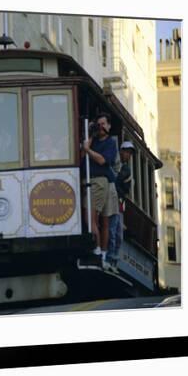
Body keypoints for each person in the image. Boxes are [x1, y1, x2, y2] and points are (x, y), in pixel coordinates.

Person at [81, 113, 118, 266]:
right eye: (98, 124)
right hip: (92, 181)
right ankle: (98, 251)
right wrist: (90, 134)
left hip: (104, 183)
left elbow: (102, 160)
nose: (101, 127)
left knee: (101, 220)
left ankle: (100, 252)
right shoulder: (93, 139)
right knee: (93, 218)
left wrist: (88, 150)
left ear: (109, 125)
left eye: (104, 124)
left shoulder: (111, 142)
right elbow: (82, 153)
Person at [106, 141, 135, 273]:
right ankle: (109, 258)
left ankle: (114, 261)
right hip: (112, 200)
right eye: (126, 152)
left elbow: (126, 188)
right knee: (112, 230)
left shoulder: (126, 169)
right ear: (121, 151)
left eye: (130, 153)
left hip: (120, 203)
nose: (128, 155)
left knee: (118, 235)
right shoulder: (115, 163)